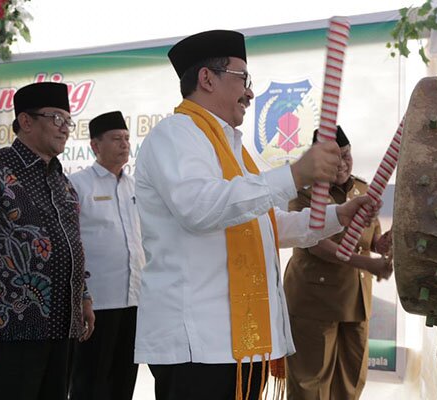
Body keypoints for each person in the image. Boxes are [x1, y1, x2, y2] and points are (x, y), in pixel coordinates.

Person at [133, 29, 379, 400]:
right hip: (198, 342)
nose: (250, 93)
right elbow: (200, 209)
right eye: (243, 79)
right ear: (207, 79)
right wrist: (295, 174)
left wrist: (339, 215)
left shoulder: (233, 149)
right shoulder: (175, 135)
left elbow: (267, 223)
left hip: (236, 342)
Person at [0, 82, 94, 400]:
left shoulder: (62, 182)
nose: (65, 129)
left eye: (68, 121)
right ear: (26, 121)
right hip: (8, 329)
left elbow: (72, 244)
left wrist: (84, 297)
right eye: (56, 118)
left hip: (62, 328)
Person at [283, 126, 393, 400]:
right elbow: (316, 245)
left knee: (351, 381)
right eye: (335, 158)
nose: (343, 164)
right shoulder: (304, 194)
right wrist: (367, 264)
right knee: (311, 383)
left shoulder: (362, 188)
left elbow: (369, 238)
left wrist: (383, 244)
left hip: (355, 300)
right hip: (314, 302)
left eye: (347, 155)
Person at [68, 111, 145, 400]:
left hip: (135, 300)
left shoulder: (136, 186)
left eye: (126, 138)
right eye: (116, 139)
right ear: (95, 146)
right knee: (90, 380)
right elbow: (71, 240)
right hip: (97, 302)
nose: (124, 144)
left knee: (125, 379)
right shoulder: (78, 185)